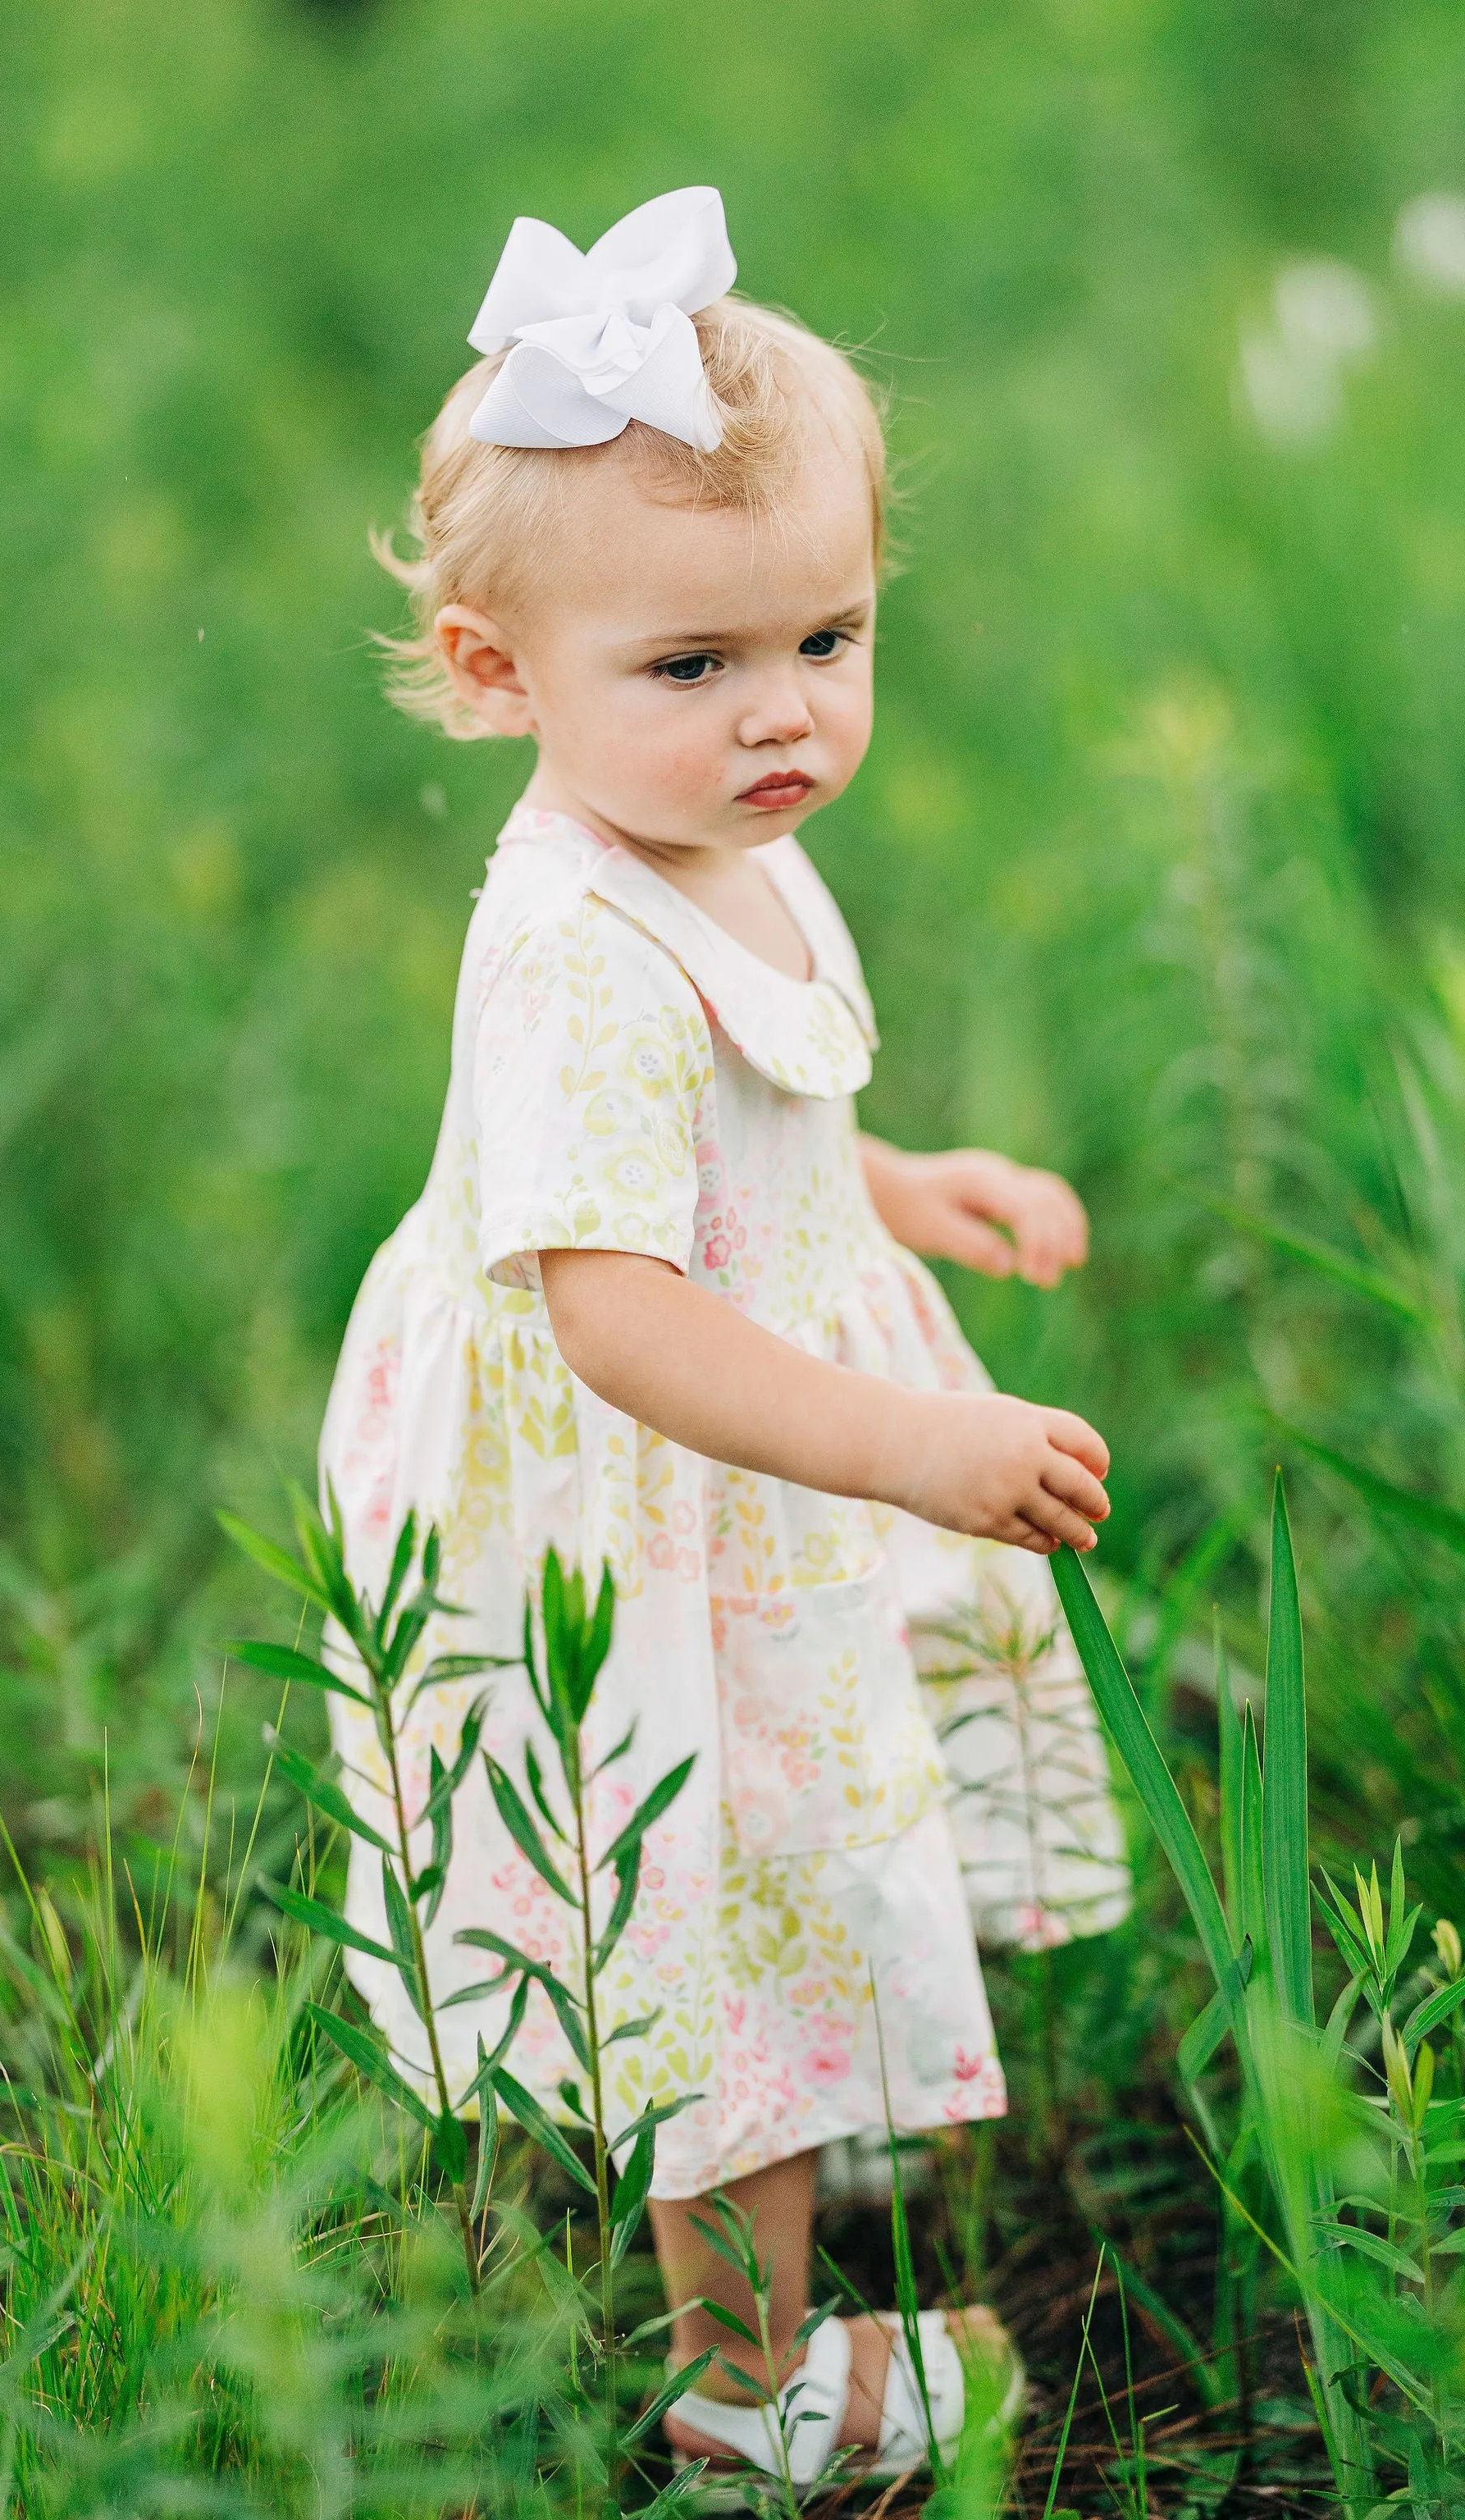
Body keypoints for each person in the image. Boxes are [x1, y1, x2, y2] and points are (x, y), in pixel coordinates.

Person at [317, 186, 1128, 2488]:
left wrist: (895, 1186)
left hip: (742, 1427)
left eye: (830, 639)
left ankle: (781, 2181)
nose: (783, 712)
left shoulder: (723, 827)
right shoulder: (578, 938)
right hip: (651, 1494)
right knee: (712, 1905)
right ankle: (746, 2384)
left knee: (776, 1871)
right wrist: (904, 1444)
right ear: (501, 678)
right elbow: (614, 1303)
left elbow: (733, 1141)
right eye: (692, 667)